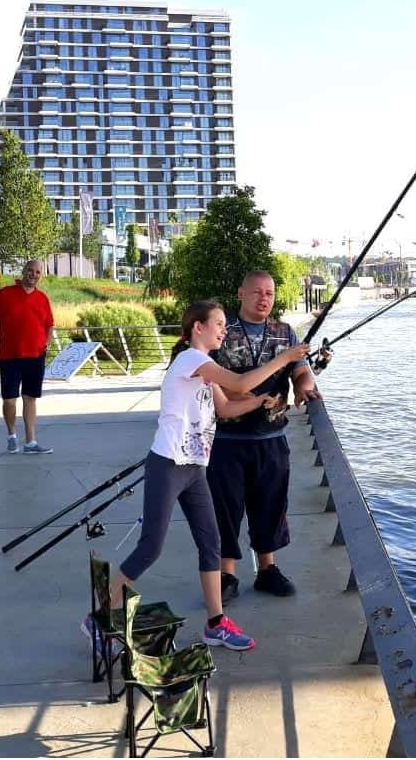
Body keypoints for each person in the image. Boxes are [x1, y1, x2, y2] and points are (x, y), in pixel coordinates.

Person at [102, 300, 310, 651]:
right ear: (197, 328)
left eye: (224, 325)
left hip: (194, 467)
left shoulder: (204, 367)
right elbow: (240, 382)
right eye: (218, 324)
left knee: (211, 544)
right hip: (168, 465)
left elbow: (226, 407)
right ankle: (101, 616)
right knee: (150, 548)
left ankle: (216, 624)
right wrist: (286, 358)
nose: (223, 330)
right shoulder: (190, 359)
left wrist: (260, 401)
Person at [207, 270, 323, 603]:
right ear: (240, 293)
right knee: (225, 509)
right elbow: (209, 375)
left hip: (270, 437)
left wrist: (305, 388)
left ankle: (267, 569)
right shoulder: (222, 330)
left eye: (269, 293)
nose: (263, 299)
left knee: (271, 504)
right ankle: (227, 574)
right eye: (257, 292)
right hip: (226, 439)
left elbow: (301, 370)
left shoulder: (285, 332)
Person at [0, 259, 54, 454]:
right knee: (9, 400)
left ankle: (31, 442)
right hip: (9, 356)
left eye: (38, 272)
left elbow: (50, 325)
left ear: (41, 276)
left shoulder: (42, 298)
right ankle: (12, 436)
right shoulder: (5, 294)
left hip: (35, 356)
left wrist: (46, 344)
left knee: (30, 398)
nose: (34, 274)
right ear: (24, 271)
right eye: (31, 270)